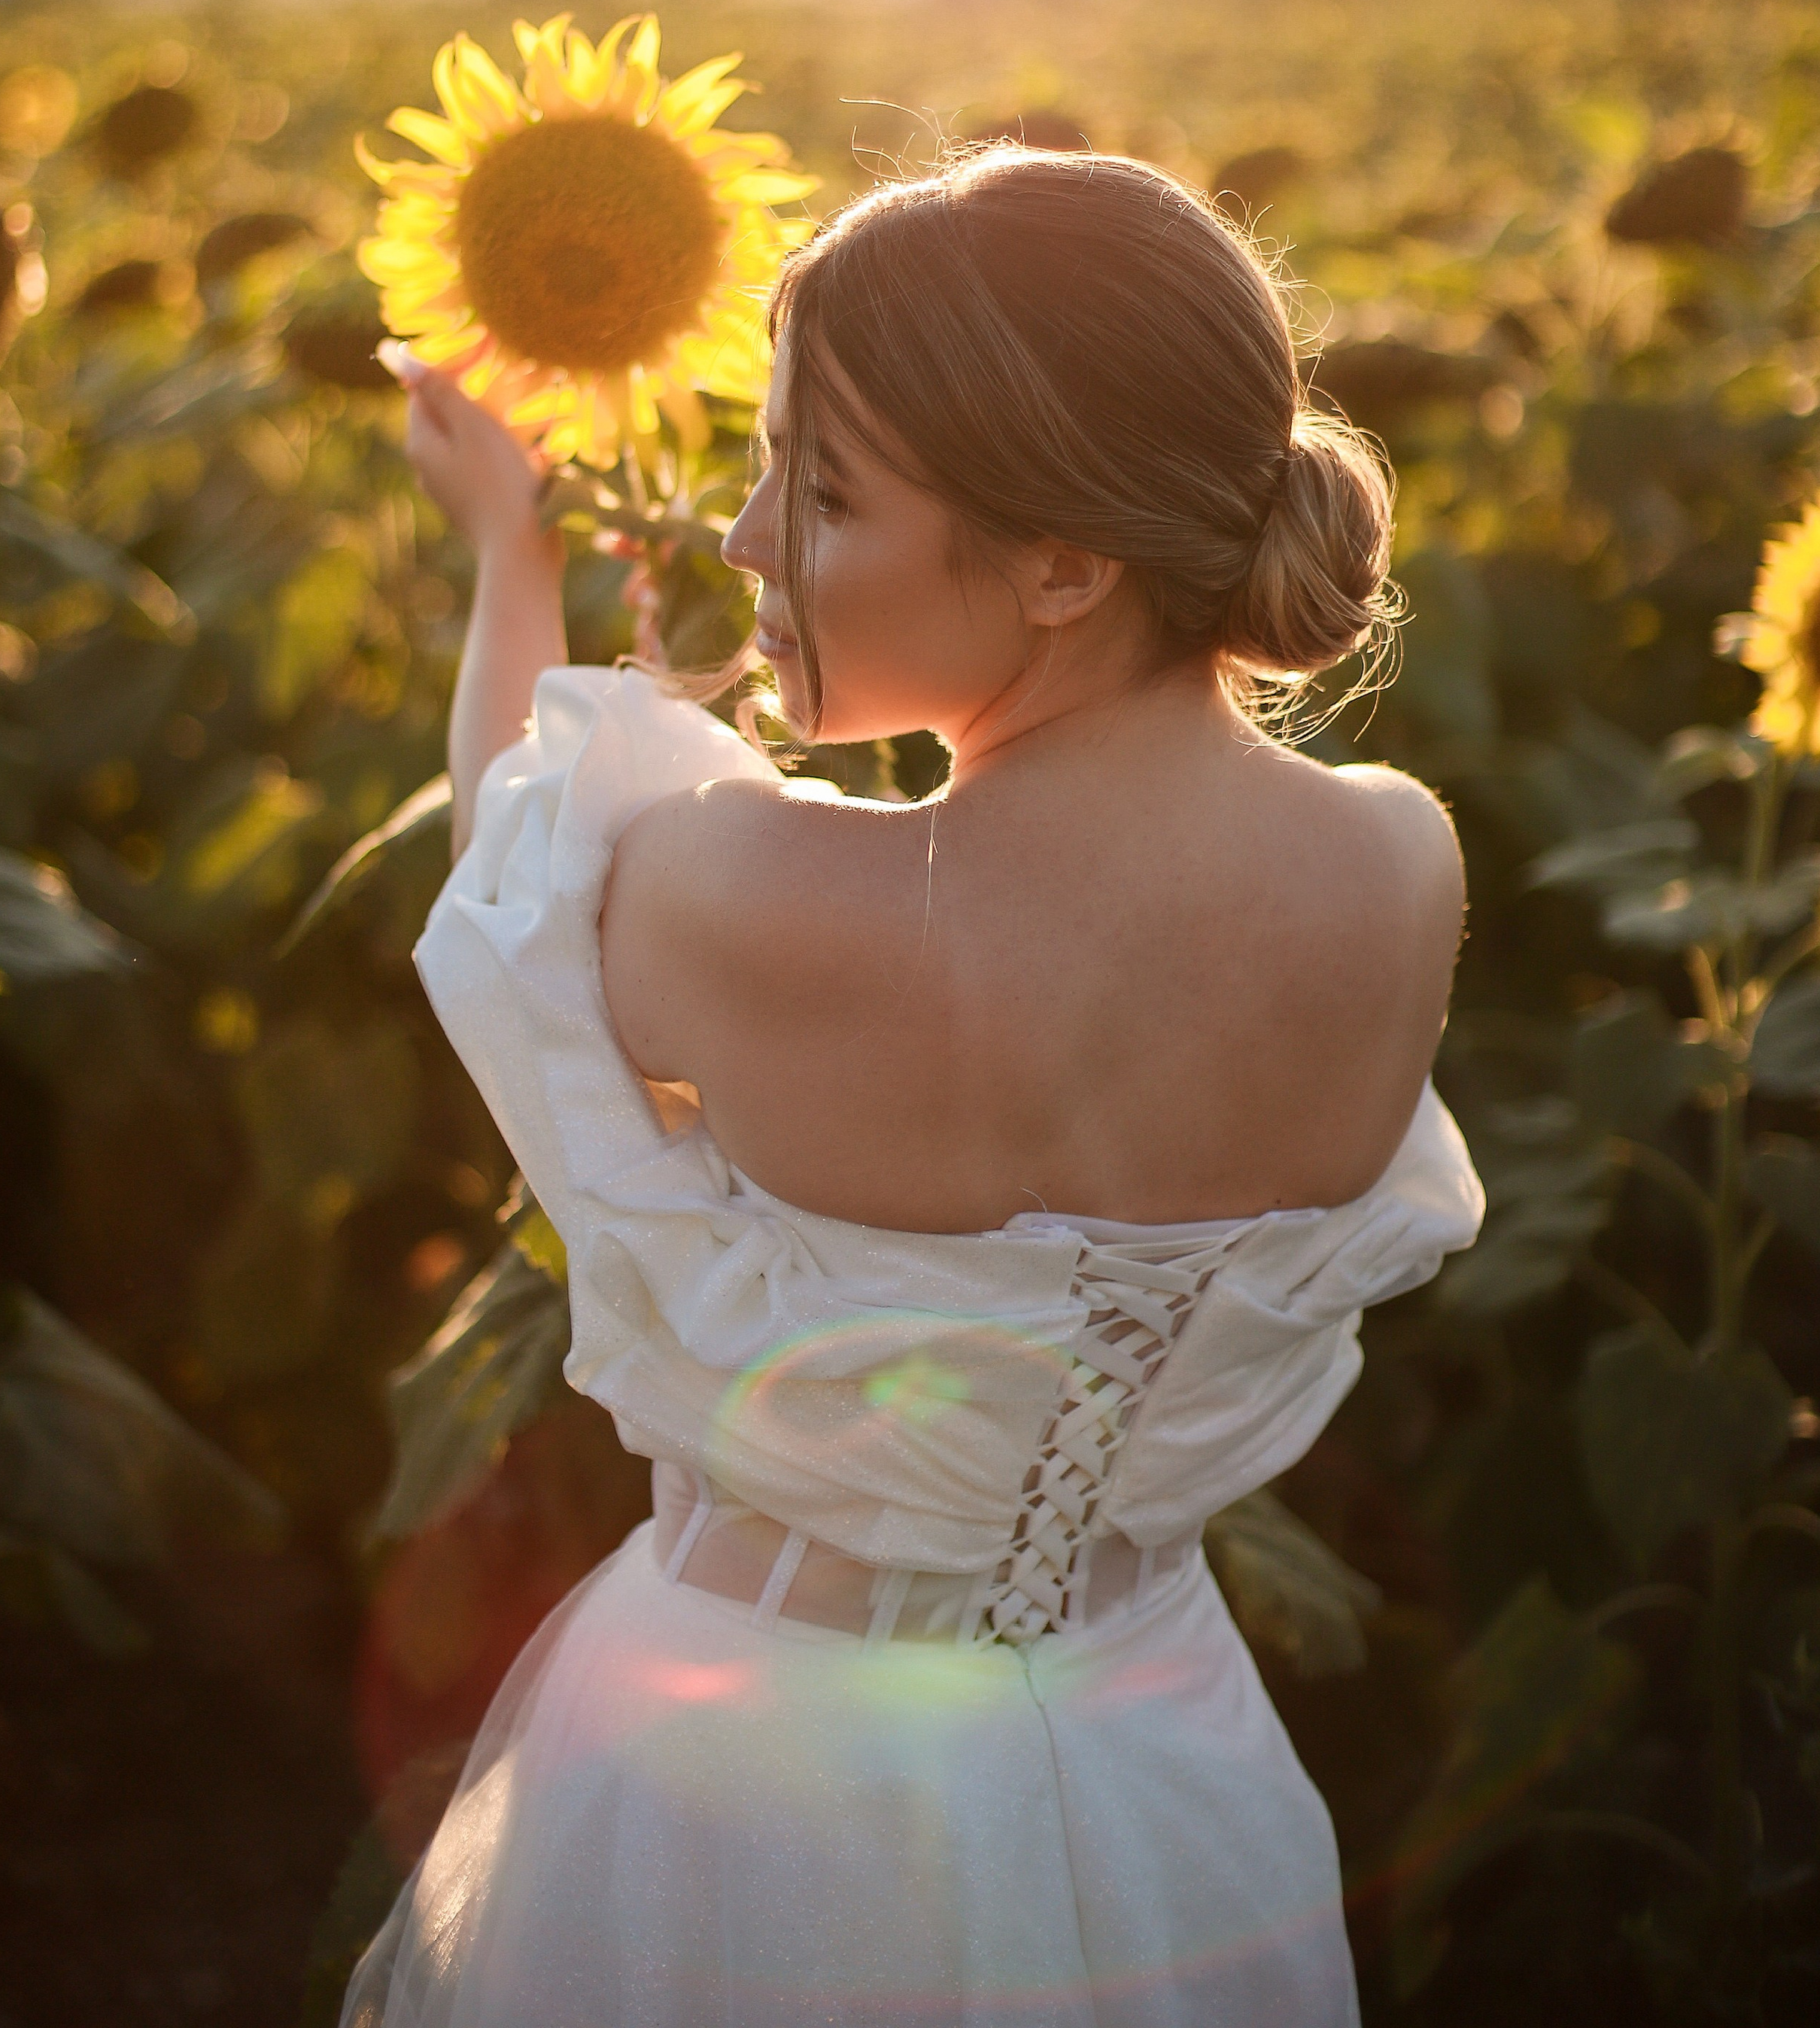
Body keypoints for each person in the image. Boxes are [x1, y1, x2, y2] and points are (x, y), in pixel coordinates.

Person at [345, 147, 1482, 2028]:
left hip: (748, 1793)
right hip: (1158, 1771)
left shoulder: (747, 900)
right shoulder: (1396, 866)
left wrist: (506, 552)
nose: (740, 535)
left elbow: (505, 880)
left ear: (1061, 560)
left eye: (824, 490)